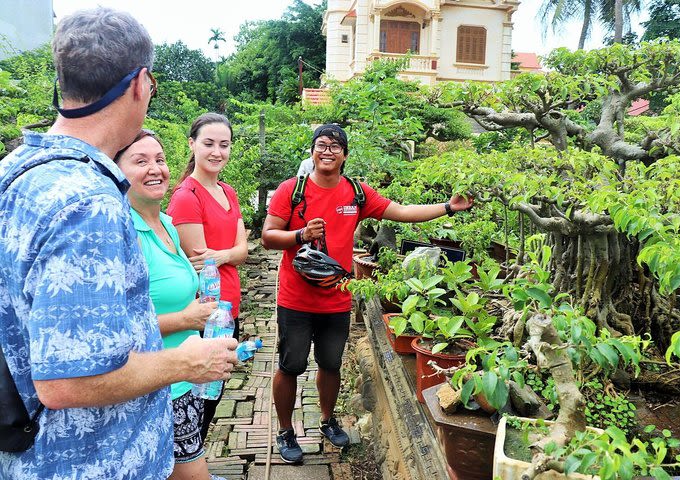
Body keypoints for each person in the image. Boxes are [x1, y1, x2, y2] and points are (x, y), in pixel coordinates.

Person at [0, 8, 238, 479]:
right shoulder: (88, 202)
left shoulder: (18, 170)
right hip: (90, 462)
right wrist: (185, 361)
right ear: (140, 84)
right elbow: (67, 381)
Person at [261, 124, 473, 464]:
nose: (327, 151)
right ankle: (286, 431)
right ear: (312, 151)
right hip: (296, 299)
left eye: (335, 146)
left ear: (345, 155)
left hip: (336, 298)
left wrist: (448, 207)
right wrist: (300, 234)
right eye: (321, 144)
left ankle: (327, 421)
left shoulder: (356, 193)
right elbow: (268, 237)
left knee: (330, 364)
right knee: (291, 365)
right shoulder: (292, 190)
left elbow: (402, 213)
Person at [115, 129, 223, 480]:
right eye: (140, 161)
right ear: (115, 170)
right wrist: (187, 318)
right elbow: (118, 327)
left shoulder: (165, 224)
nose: (155, 168)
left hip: (182, 374)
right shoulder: (123, 233)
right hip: (154, 383)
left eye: (159, 160)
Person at [168, 112, 248, 440]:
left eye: (224, 145)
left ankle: (195, 466)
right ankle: (189, 468)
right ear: (192, 144)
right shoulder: (188, 197)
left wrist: (225, 254)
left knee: (212, 397)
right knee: (198, 400)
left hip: (230, 309)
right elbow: (202, 265)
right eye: (209, 143)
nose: (217, 152)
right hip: (207, 314)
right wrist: (227, 254)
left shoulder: (228, 192)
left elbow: (243, 251)